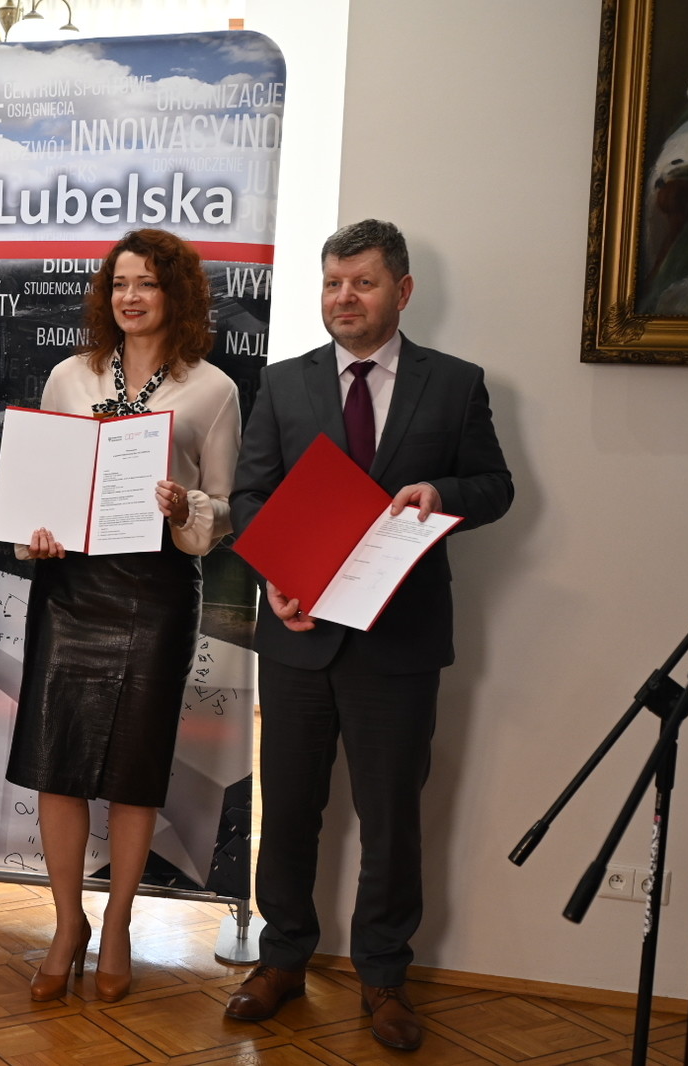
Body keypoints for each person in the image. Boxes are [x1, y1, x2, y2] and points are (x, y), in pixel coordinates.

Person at [224, 219, 512, 1051]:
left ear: (402, 291)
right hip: (299, 632)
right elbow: (250, 497)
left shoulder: (454, 385)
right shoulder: (283, 383)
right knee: (289, 810)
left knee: (391, 817)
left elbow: (496, 486)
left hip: (400, 638)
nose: (344, 297)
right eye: (333, 283)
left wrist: (441, 493)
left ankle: (384, 976)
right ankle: (282, 958)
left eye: (363, 282)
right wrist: (275, 576)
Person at [6, 229, 241, 1003]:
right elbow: (42, 484)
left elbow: (224, 508)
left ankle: (117, 923)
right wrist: (37, 532)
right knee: (57, 761)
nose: (130, 297)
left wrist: (185, 506)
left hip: (156, 591)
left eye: (146, 283)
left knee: (134, 772)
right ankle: (67, 923)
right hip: (71, 586)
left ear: (176, 294)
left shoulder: (213, 389)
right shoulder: (68, 376)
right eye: (119, 284)